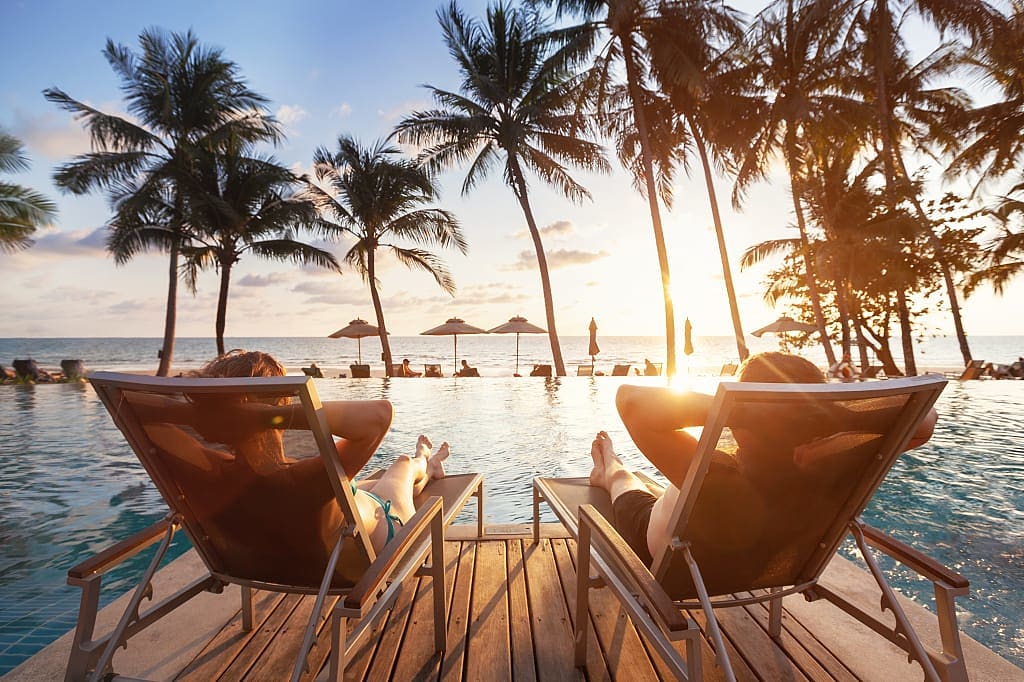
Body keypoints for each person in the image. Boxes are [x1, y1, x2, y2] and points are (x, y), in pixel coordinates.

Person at [585, 351, 939, 566]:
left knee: (622, 481)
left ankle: (609, 467)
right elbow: (926, 419)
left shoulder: (720, 475)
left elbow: (629, 399)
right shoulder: (830, 468)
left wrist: (747, 410)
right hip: (755, 558)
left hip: (659, 542)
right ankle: (617, 470)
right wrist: (823, 416)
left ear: (741, 423)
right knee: (662, 486)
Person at [144, 350, 450, 553]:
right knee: (403, 464)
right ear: (279, 405)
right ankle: (426, 457)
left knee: (372, 480)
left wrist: (209, 414)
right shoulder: (304, 480)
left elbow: (134, 407)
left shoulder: (213, 470)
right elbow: (380, 414)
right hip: (387, 527)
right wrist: (266, 415)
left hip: (336, 517)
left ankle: (430, 465)